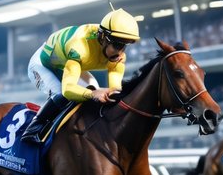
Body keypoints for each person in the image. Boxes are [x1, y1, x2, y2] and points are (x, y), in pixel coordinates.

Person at [20, 8, 140, 144]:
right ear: (102, 38)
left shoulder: (117, 55)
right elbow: (68, 90)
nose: (120, 52)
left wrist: (110, 92)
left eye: (125, 46)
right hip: (43, 64)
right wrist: (93, 93)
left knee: (93, 87)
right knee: (61, 92)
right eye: (117, 45)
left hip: (66, 62)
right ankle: (32, 130)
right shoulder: (79, 47)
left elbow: (114, 89)